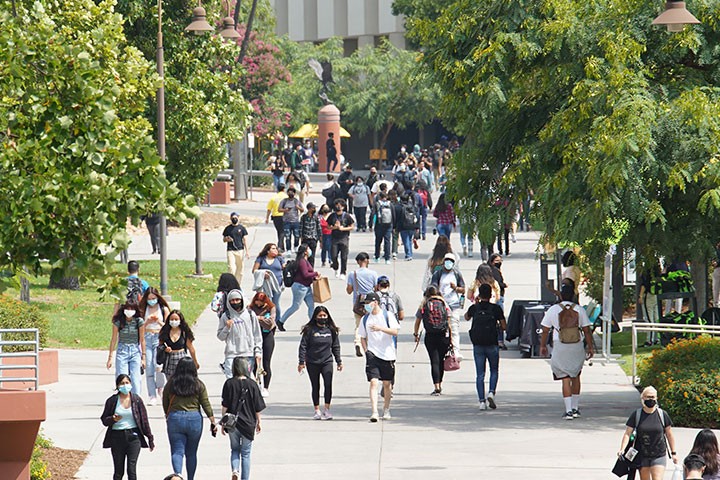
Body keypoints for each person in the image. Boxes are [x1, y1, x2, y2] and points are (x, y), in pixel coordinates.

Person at [539, 284, 594, 419]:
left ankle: (568, 410)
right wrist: (590, 347)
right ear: (574, 296)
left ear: (561, 295)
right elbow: (587, 330)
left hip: (560, 345)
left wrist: (543, 346)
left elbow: (545, 330)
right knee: (576, 376)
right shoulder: (580, 310)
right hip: (576, 346)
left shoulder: (553, 310)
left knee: (565, 378)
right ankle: (575, 408)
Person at [162, 357, 217, 480]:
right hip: (194, 419)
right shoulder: (198, 384)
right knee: (191, 453)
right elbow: (205, 403)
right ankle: (190, 478)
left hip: (175, 418)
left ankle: (178, 475)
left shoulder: (171, 383)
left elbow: (165, 400)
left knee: (177, 451)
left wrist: (168, 414)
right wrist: (212, 420)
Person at [618, 386, 678, 479]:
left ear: (656, 398)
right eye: (648, 397)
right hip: (642, 454)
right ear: (642, 398)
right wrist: (622, 449)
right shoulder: (637, 415)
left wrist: (673, 453)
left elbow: (669, 434)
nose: (651, 399)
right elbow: (627, 433)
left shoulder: (662, 415)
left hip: (659, 454)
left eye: (653, 397)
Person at [101, 374, 154, 480]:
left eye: (127, 383)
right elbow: (104, 420)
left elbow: (144, 420)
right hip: (117, 436)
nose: (125, 385)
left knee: (131, 469)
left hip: (134, 437)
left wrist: (150, 438)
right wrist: (113, 419)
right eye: (122, 383)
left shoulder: (136, 400)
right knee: (118, 471)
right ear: (117, 386)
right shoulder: (112, 401)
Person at [220, 357, 266, 480]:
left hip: (232, 423)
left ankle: (235, 470)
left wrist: (223, 423)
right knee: (246, 453)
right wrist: (259, 422)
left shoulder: (229, 383)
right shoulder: (252, 384)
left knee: (234, 449)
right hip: (248, 423)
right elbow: (257, 407)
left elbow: (225, 405)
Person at [357, 292, 400, 422]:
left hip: (387, 354)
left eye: (368, 303)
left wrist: (381, 328)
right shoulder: (365, 319)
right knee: (373, 382)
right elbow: (362, 336)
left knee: (387, 384)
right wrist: (366, 351)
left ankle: (386, 409)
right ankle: (374, 411)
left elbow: (395, 331)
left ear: (375, 302)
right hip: (373, 354)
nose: (366, 306)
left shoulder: (387, 315)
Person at [466, 284, 506, 410]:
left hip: (478, 344)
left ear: (479, 294)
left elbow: (466, 317)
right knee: (494, 370)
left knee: (480, 374)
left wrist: (475, 303)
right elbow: (504, 326)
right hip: (492, 343)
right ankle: (491, 392)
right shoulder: (496, 309)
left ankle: (482, 402)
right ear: (490, 295)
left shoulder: (474, 308)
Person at [298, 306, 343, 420]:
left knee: (328, 384)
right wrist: (301, 361)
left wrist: (339, 361)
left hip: (327, 361)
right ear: (315, 317)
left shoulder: (331, 330)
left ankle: (327, 410)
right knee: (315, 386)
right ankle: (317, 410)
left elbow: (335, 346)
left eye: (324, 315)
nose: (322, 318)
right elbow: (303, 346)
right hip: (312, 362)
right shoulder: (310, 330)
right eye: (320, 316)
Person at [413, 286, 451, 396]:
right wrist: (451, 338)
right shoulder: (443, 304)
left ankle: (436, 386)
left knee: (434, 361)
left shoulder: (424, 305)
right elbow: (449, 320)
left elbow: (417, 321)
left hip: (430, 336)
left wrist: (416, 334)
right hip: (443, 335)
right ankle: (440, 383)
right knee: (441, 361)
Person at [218, 290, 263, 378]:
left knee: (246, 380)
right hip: (231, 354)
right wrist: (227, 328)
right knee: (231, 379)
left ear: (241, 300)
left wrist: (258, 352)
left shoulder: (250, 315)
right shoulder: (226, 316)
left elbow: (257, 335)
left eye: (237, 300)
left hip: (247, 354)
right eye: (232, 300)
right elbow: (220, 337)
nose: (235, 302)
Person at [430, 253, 466, 360]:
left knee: (454, 328)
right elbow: (433, 286)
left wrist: (456, 288)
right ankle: (444, 350)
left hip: (454, 304)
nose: (448, 263)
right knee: (442, 328)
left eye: (451, 261)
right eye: (447, 260)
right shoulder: (438, 273)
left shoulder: (456, 274)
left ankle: (456, 351)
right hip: (441, 305)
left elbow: (463, 289)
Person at [107, 300, 146, 395]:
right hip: (122, 350)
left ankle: (136, 399)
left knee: (135, 378)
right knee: (121, 376)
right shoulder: (119, 321)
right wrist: (110, 357)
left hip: (135, 350)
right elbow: (114, 339)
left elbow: (142, 339)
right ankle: (122, 397)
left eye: (132, 309)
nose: (129, 311)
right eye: (127, 308)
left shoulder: (139, 321)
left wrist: (143, 357)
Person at [277, 244, 319, 330]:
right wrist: (315, 273)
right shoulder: (302, 261)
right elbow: (305, 274)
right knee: (295, 306)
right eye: (308, 249)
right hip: (300, 286)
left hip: (307, 287)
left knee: (311, 305)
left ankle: (313, 324)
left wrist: (314, 277)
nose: (310, 250)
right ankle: (281, 321)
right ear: (305, 252)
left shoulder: (306, 261)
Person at [140, 287, 170, 405]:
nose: (152, 301)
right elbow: (140, 326)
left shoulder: (163, 309)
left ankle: (160, 389)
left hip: (159, 338)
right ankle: (152, 395)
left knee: (158, 365)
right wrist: (147, 321)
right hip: (147, 338)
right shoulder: (143, 309)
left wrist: (158, 321)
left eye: (154, 298)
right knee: (149, 367)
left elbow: (168, 326)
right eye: (149, 299)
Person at [346, 252, 379, 357]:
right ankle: (368, 346)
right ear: (367, 260)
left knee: (358, 325)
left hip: (358, 302)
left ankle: (358, 343)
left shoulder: (353, 274)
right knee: (370, 324)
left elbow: (349, 290)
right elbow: (376, 288)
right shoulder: (373, 274)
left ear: (358, 262)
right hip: (371, 302)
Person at [247, 292, 276, 397]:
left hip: (267, 336)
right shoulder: (250, 309)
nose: (258, 305)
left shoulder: (271, 308)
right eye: (257, 302)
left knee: (266, 362)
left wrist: (257, 318)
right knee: (254, 362)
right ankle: (255, 385)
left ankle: (265, 387)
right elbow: (248, 322)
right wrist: (262, 319)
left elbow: (270, 324)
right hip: (254, 337)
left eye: (261, 303)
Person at [158, 310, 199, 378]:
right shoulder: (165, 331)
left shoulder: (184, 333)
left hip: (181, 359)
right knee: (171, 383)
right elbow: (160, 345)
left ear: (180, 320)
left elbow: (191, 349)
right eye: (172, 319)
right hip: (169, 360)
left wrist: (195, 362)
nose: (174, 321)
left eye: (176, 319)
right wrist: (165, 349)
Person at [251, 243, 285, 321]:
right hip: (265, 285)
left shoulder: (279, 259)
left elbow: (284, 267)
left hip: (277, 285)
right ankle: (266, 319)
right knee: (266, 303)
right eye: (273, 248)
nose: (275, 250)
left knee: (275, 304)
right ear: (267, 251)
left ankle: (277, 320)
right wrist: (263, 273)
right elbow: (254, 270)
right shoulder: (261, 259)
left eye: (276, 248)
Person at [327, 199, 355, 279]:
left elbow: (352, 226)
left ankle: (343, 272)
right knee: (333, 255)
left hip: (344, 238)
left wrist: (343, 228)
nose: (338, 207)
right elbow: (328, 226)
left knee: (344, 256)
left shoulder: (347, 216)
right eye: (337, 205)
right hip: (334, 238)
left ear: (343, 207)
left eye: (340, 205)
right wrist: (334, 227)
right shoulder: (332, 216)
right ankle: (335, 267)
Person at [222, 212, 250, 286]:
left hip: (240, 250)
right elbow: (224, 240)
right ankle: (231, 283)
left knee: (240, 269)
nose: (234, 219)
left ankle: (237, 284)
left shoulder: (242, 228)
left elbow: (245, 240)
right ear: (230, 218)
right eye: (233, 217)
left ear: (238, 218)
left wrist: (247, 251)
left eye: (236, 217)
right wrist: (227, 239)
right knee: (231, 268)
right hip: (230, 250)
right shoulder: (227, 229)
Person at [488, 254, 509, 350]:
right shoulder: (494, 271)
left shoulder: (491, 270)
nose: (499, 263)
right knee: (500, 319)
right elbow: (497, 283)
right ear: (492, 262)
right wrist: (504, 285)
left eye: (500, 261)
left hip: (496, 297)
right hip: (497, 297)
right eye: (496, 261)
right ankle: (500, 340)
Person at [638, 262, 662, 347]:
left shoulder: (647, 272)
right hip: (656, 295)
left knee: (649, 318)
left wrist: (640, 296)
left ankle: (649, 340)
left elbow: (644, 284)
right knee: (656, 318)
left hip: (648, 295)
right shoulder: (658, 272)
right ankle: (657, 338)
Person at [279, 187, 304, 253]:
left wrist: (298, 207)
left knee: (297, 236)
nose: (291, 193)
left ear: (294, 193)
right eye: (289, 192)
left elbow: (302, 210)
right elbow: (279, 209)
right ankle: (288, 249)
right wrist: (285, 210)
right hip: (286, 221)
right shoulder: (284, 201)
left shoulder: (296, 201)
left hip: (295, 221)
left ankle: (296, 246)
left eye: (292, 192)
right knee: (287, 236)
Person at [372, 192, 395, 264]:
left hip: (379, 225)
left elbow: (373, 214)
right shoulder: (390, 204)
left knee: (378, 241)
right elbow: (393, 215)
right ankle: (387, 258)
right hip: (389, 224)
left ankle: (377, 257)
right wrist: (393, 225)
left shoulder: (377, 204)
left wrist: (371, 224)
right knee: (387, 241)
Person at [299, 202, 322, 267]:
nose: (314, 209)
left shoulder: (316, 217)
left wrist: (320, 239)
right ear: (309, 209)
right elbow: (301, 228)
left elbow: (319, 228)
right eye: (313, 208)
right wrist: (301, 238)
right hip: (305, 238)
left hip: (313, 239)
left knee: (312, 256)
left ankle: (311, 270)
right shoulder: (303, 217)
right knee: (304, 255)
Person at [398, 192, 419, 260]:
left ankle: (408, 254)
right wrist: (417, 226)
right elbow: (417, 216)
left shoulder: (401, 207)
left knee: (405, 240)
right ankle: (410, 253)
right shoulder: (412, 206)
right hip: (412, 225)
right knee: (409, 240)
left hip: (403, 226)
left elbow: (398, 217)